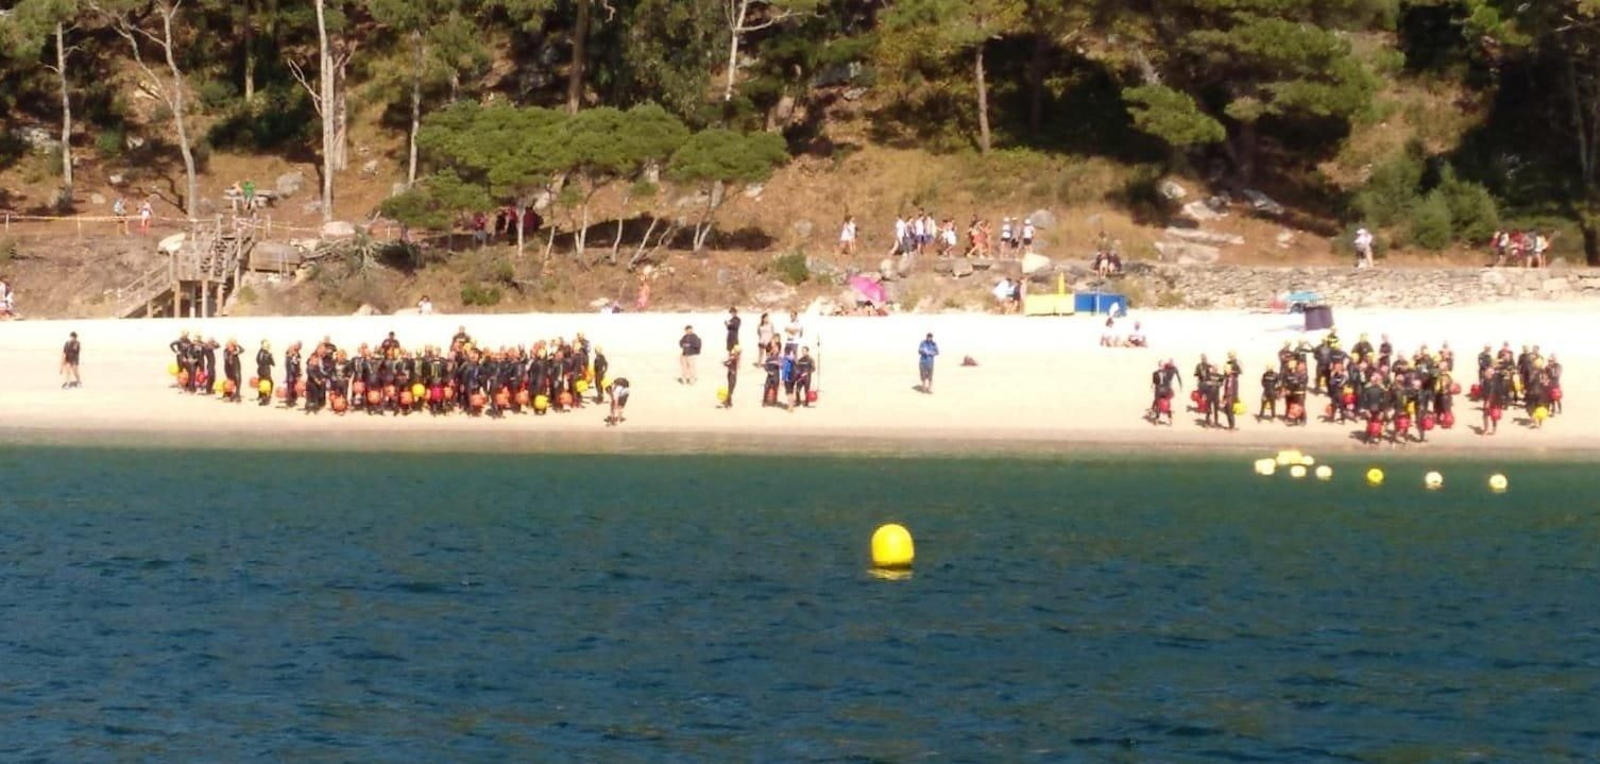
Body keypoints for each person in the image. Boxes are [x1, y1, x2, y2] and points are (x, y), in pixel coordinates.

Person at [255, 341, 275, 406]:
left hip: (260, 370)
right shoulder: (268, 354)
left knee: (261, 382)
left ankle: (260, 396)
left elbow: (257, 360)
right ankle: (266, 399)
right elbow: (273, 363)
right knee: (269, 384)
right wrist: (271, 357)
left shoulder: (260, 352)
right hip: (266, 371)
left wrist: (260, 364)